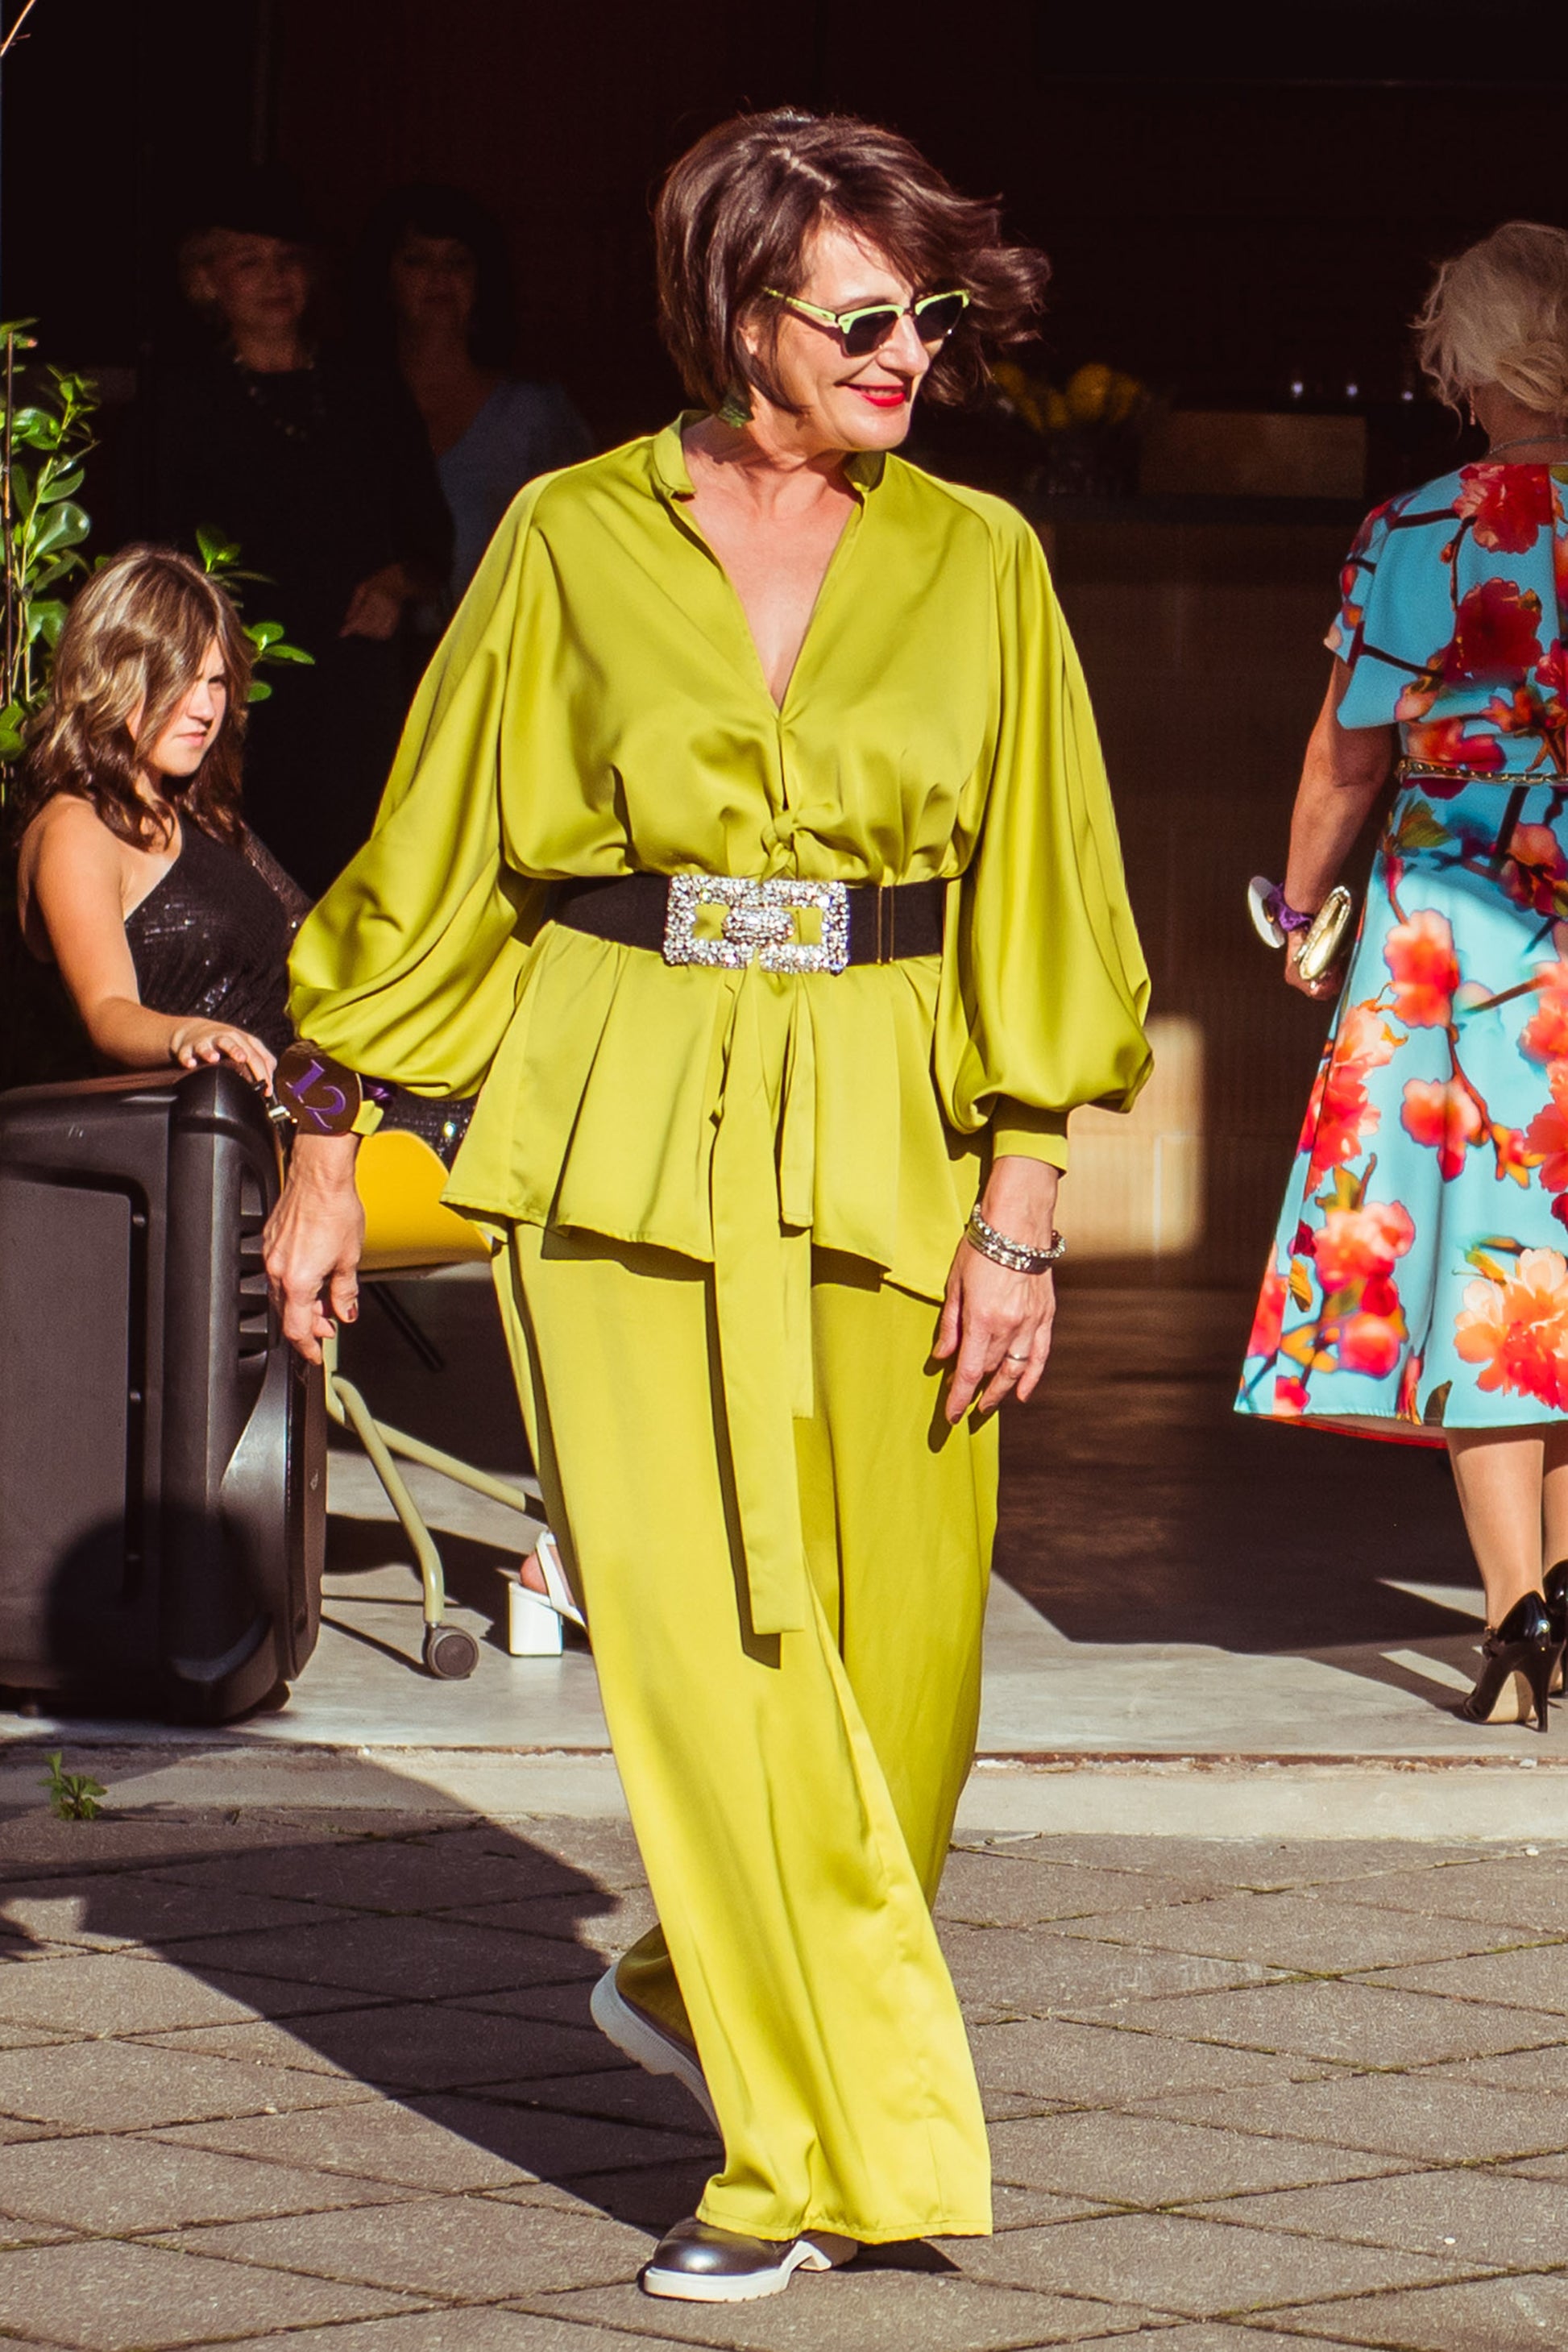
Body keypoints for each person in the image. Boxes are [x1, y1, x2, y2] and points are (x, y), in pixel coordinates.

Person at [264, 109, 1150, 2300]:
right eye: (860, 317)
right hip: (629, 1109)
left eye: (925, 313)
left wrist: (1023, 1201)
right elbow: (442, 842)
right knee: (702, 1649)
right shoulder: (569, 537)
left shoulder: (980, 562)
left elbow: (1046, 888)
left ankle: (692, 1978)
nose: (907, 353)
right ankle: (780, 2156)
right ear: (735, 314)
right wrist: (321, 1134)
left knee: (905, 1691)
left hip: (893, 1121)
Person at [1237, 221, 1568, 1731]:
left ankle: (1515, 1615)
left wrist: (1294, 902)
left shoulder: (1416, 531)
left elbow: (1344, 757)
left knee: (1482, 1262)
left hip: (1452, 930)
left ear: (1473, 360)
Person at [9, 545, 471, 1173]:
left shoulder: (199, 815)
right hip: (211, 1149)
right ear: (114, 675)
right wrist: (188, 1034)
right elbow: (108, 1011)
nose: (205, 709)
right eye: (183, 681)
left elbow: (309, 937)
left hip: (306, 1104)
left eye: (217, 681)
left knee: (478, 1105)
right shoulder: (76, 826)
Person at [123, 169, 452, 895]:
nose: (276, 279)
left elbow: (431, 534)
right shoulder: (182, 401)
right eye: (250, 262)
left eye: (288, 261)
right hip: (235, 689)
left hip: (355, 686)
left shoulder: (368, 388)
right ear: (208, 281)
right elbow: (154, 554)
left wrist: (398, 583)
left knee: (358, 872)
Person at [354, 183, 593, 601]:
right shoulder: (348, 406)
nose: (439, 278)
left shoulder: (535, 415)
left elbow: (580, 543)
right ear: (386, 278)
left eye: (457, 262)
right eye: (417, 261)